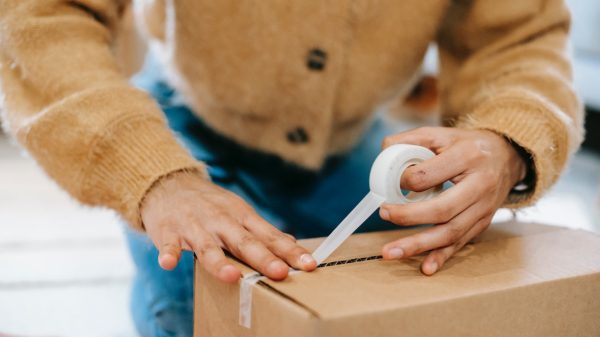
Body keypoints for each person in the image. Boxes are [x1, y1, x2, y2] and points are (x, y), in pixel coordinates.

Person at [0, 1, 583, 336]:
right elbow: (42, 18)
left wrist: (511, 140)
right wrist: (150, 173)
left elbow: (521, 36)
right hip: (185, 129)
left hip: (354, 142)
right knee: (193, 307)